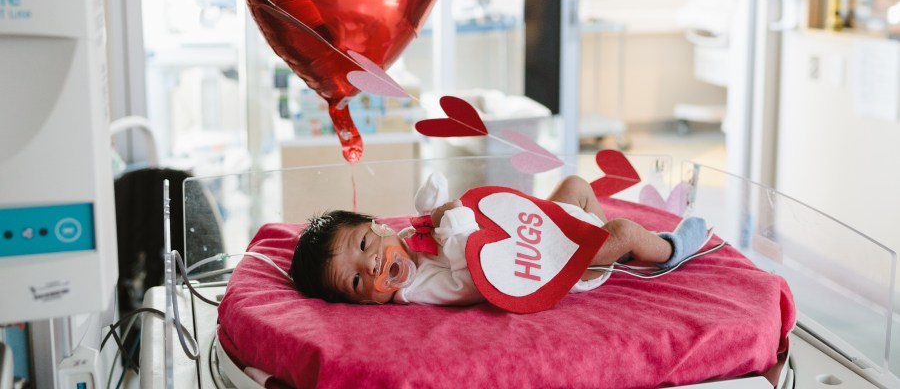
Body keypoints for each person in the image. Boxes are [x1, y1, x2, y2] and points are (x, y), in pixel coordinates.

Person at [289, 174, 709, 306]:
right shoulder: (416, 289)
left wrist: (435, 207)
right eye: (358, 282)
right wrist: (452, 224)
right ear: (360, 302)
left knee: (576, 187)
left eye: (365, 246)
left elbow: (436, 223)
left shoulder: (399, 239)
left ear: (377, 224)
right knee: (623, 232)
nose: (373, 266)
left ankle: (611, 250)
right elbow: (471, 280)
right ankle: (668, 249)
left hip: (533, 235)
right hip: (543, 268)